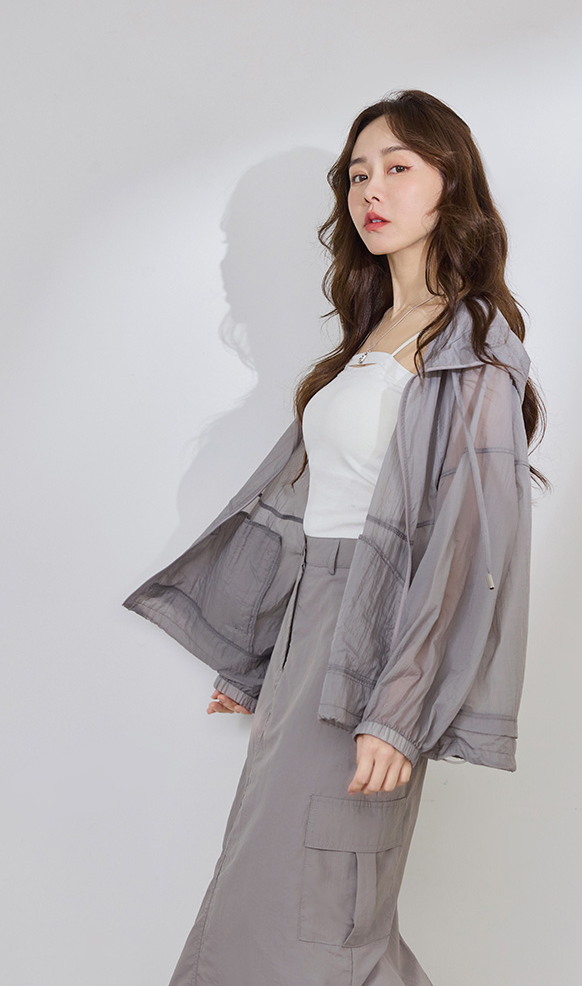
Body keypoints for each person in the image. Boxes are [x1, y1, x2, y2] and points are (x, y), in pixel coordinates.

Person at [123, 88, 547, 986]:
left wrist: (398, 712)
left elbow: (465, 547)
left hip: (375, 654)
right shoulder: (374, 334)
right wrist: (263, 660)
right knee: (281, 904)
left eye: (399, 167)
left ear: (451, 186)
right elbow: (317, 511)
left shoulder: (471, 341)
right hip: (308, 651)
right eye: (358, 174)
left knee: (317, 925)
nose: (371, 190)